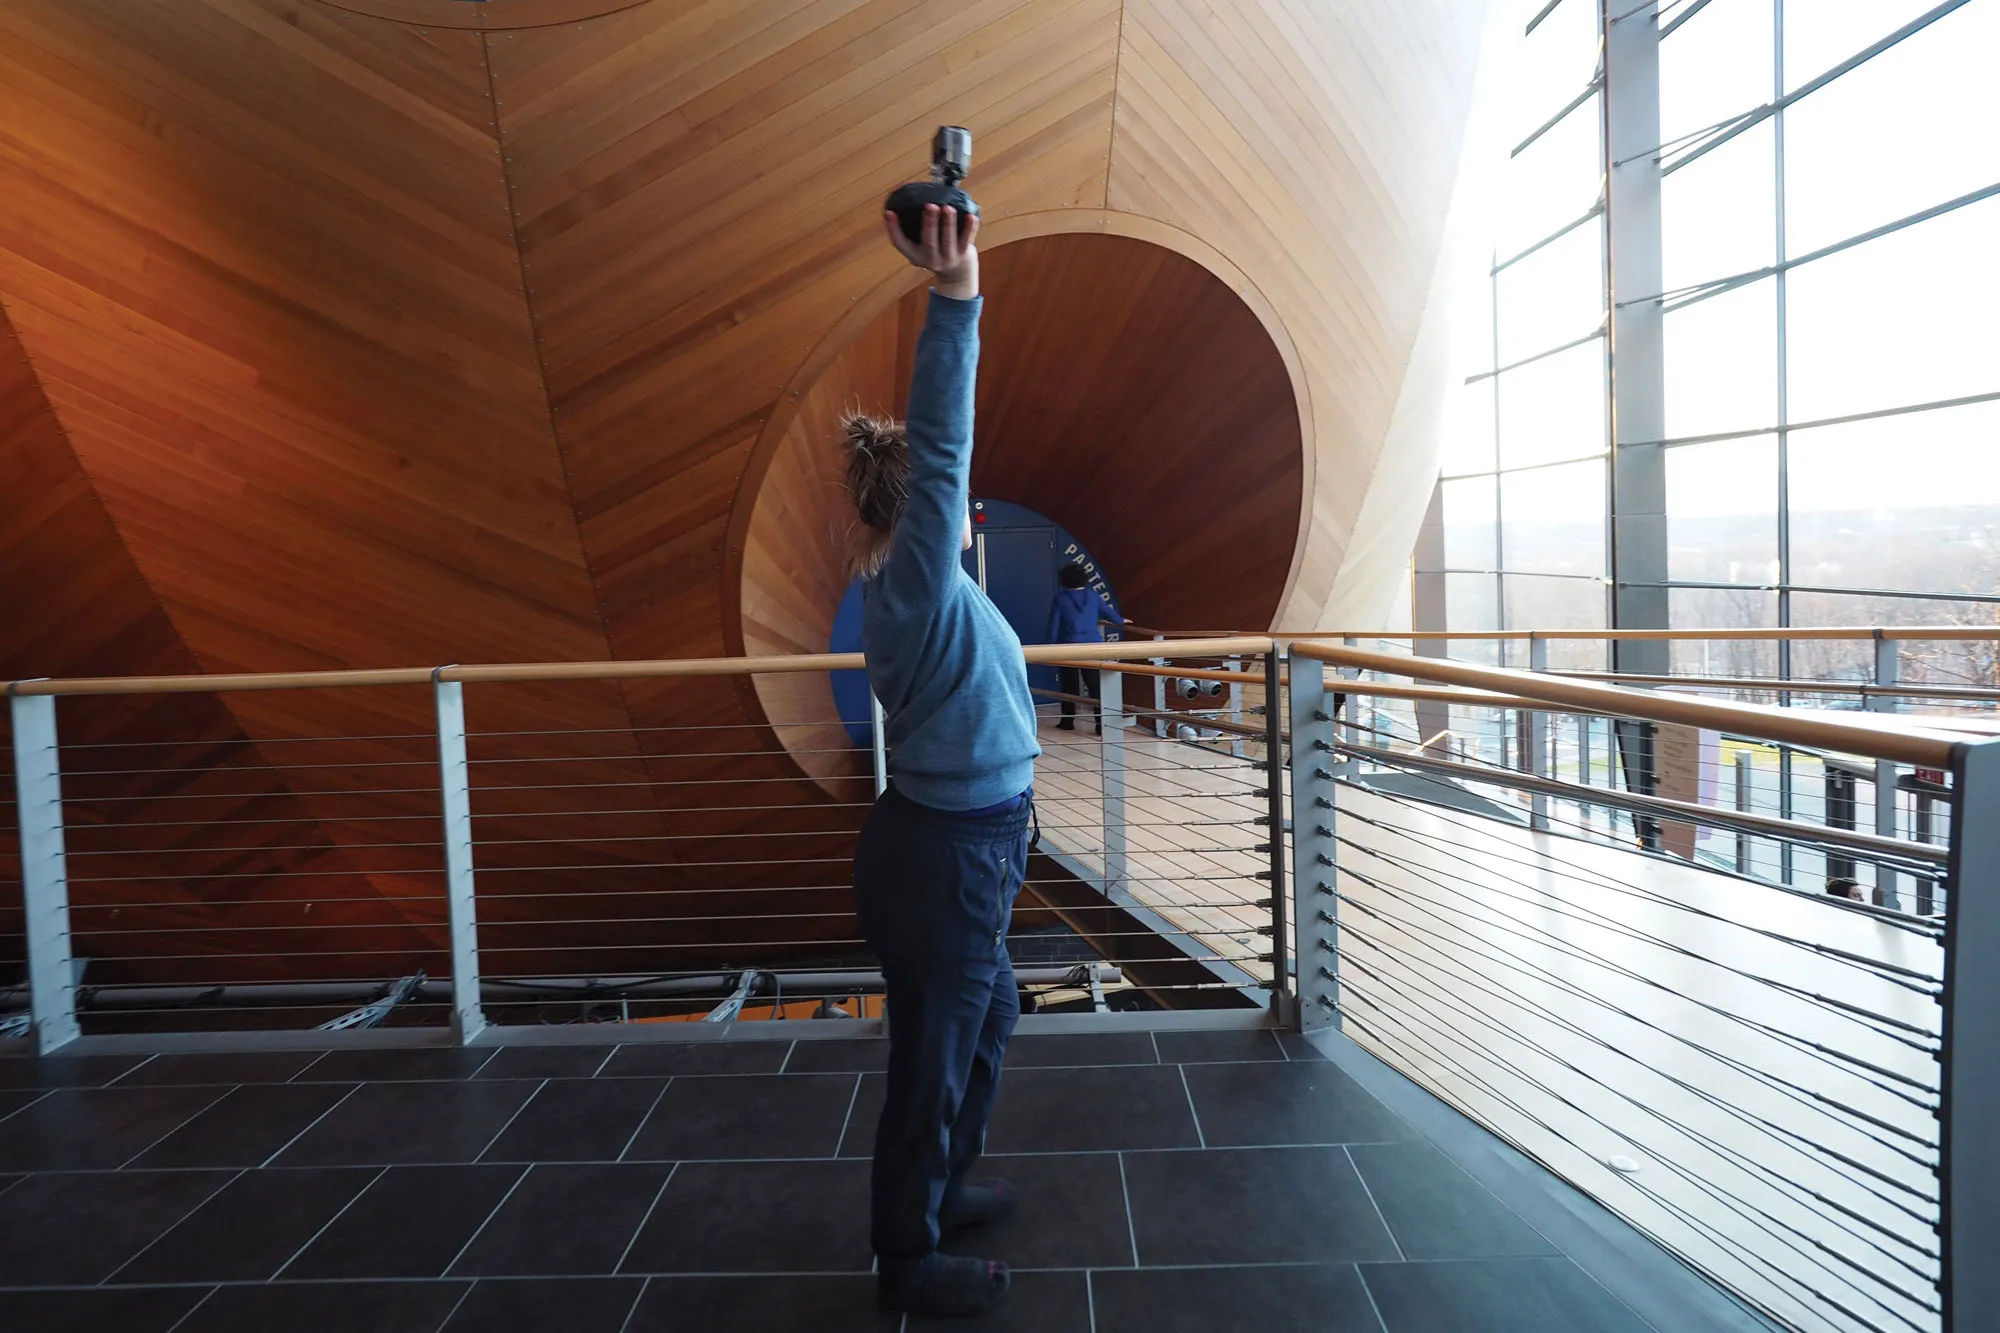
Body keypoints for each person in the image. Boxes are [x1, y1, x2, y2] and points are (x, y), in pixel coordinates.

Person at [841, 202, 1038, 1319]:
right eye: (943, 497)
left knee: (990, 1015)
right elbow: (944, 434)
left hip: (971, 849)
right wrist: (953, 298)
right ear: (926, 509)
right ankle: (904, 1256)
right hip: (945, 859)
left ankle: (946, 1183)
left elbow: (993, 710)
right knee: (928, 1058)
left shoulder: (938, 592)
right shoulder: (914, 582)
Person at [1045, 563, 1121, 733]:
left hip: (1068, 647)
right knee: (1094, 686)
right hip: (1092, 646)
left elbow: (1054, 625)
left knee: (1069, 686)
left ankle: (1067, 721)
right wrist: (1121, 622)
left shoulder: (1061, 599)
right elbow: (1108, 613)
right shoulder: (1093, 596)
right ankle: (1101, 725)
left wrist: (1048, 646)